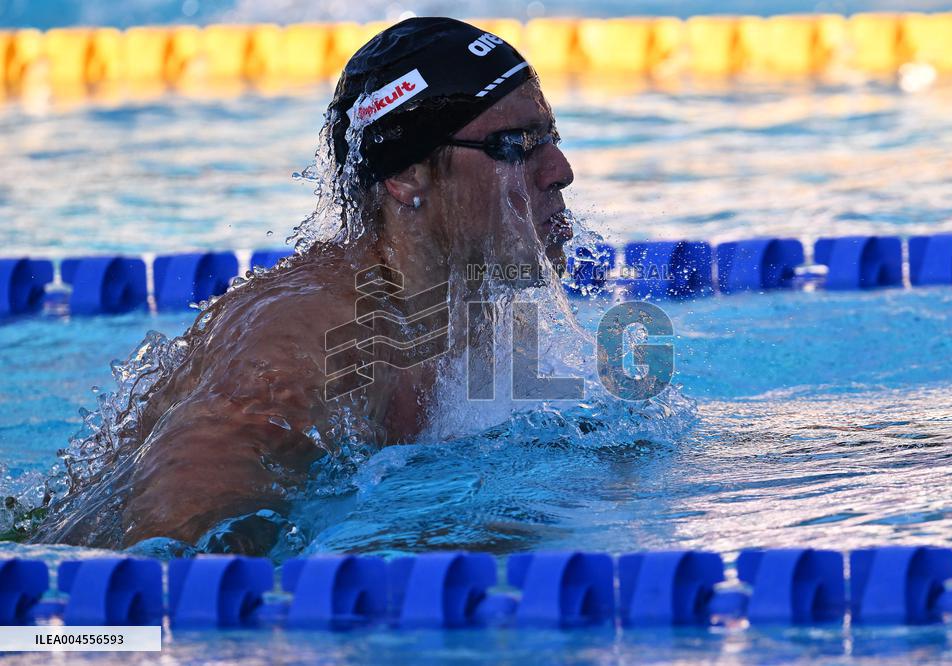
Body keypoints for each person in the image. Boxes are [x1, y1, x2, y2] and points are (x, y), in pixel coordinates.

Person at [32, 17, 576, 551]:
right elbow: (171, 541)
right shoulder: (311, 338)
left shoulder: (471, 302)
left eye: (549, 136)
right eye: (514, 145)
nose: (560, 169)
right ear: (407, 175)